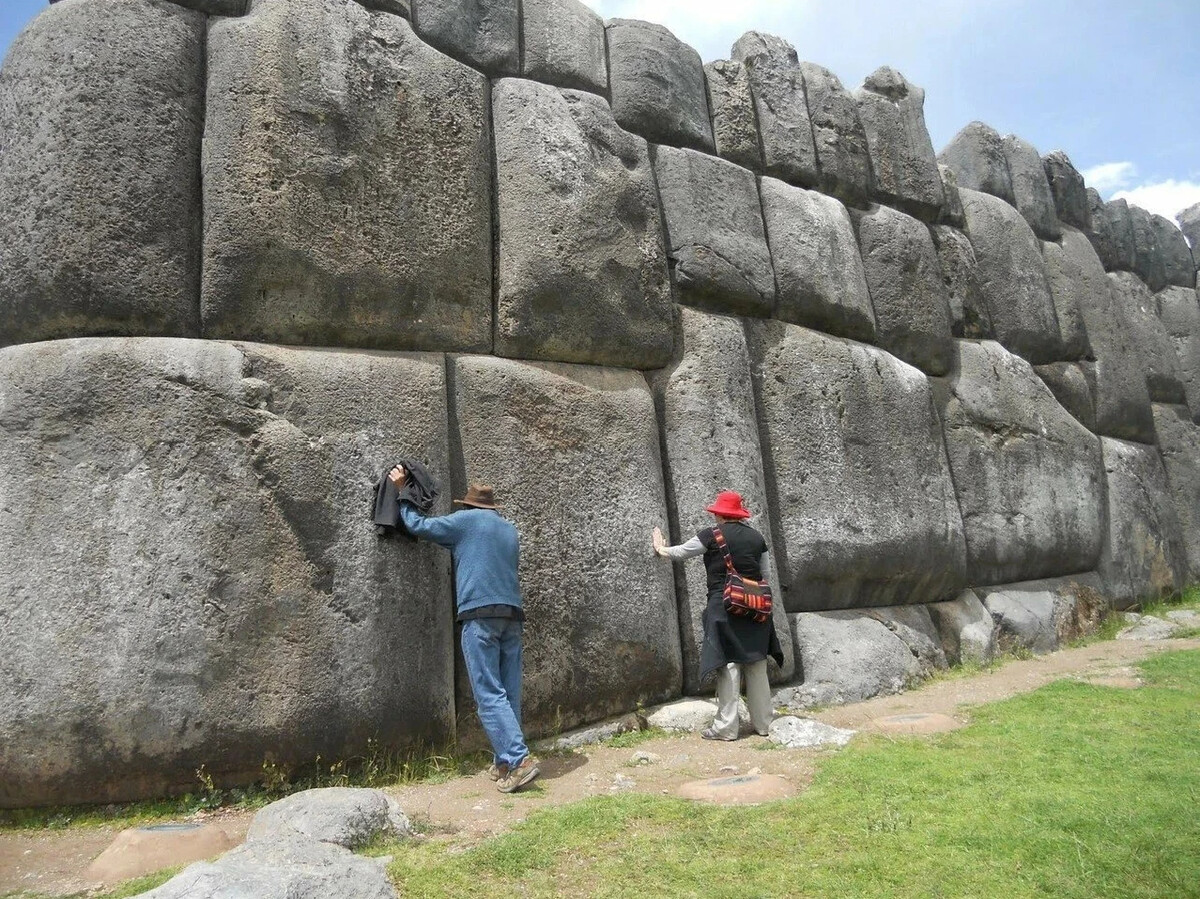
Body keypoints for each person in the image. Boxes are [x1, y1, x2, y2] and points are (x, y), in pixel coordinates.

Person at [387, 465, 539, 793]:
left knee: (488, 694)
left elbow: (419, 525)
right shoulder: (509, 529)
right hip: (511, 615)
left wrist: (402, 493)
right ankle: (504, 761)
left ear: (468, 506)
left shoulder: (465, 522)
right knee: (508, 692)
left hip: (480, 615)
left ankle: (519, 760)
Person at [652, 491, 783, 741]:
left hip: (724, 605)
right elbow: (765, 575)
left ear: (721, 514)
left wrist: (660, 548)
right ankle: (764, 724)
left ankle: (726, 728)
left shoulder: (712, 535)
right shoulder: (757, 538)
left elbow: (682, 552)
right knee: (756, 664)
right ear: (739, 514)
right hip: (756, 607)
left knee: (729, 664)